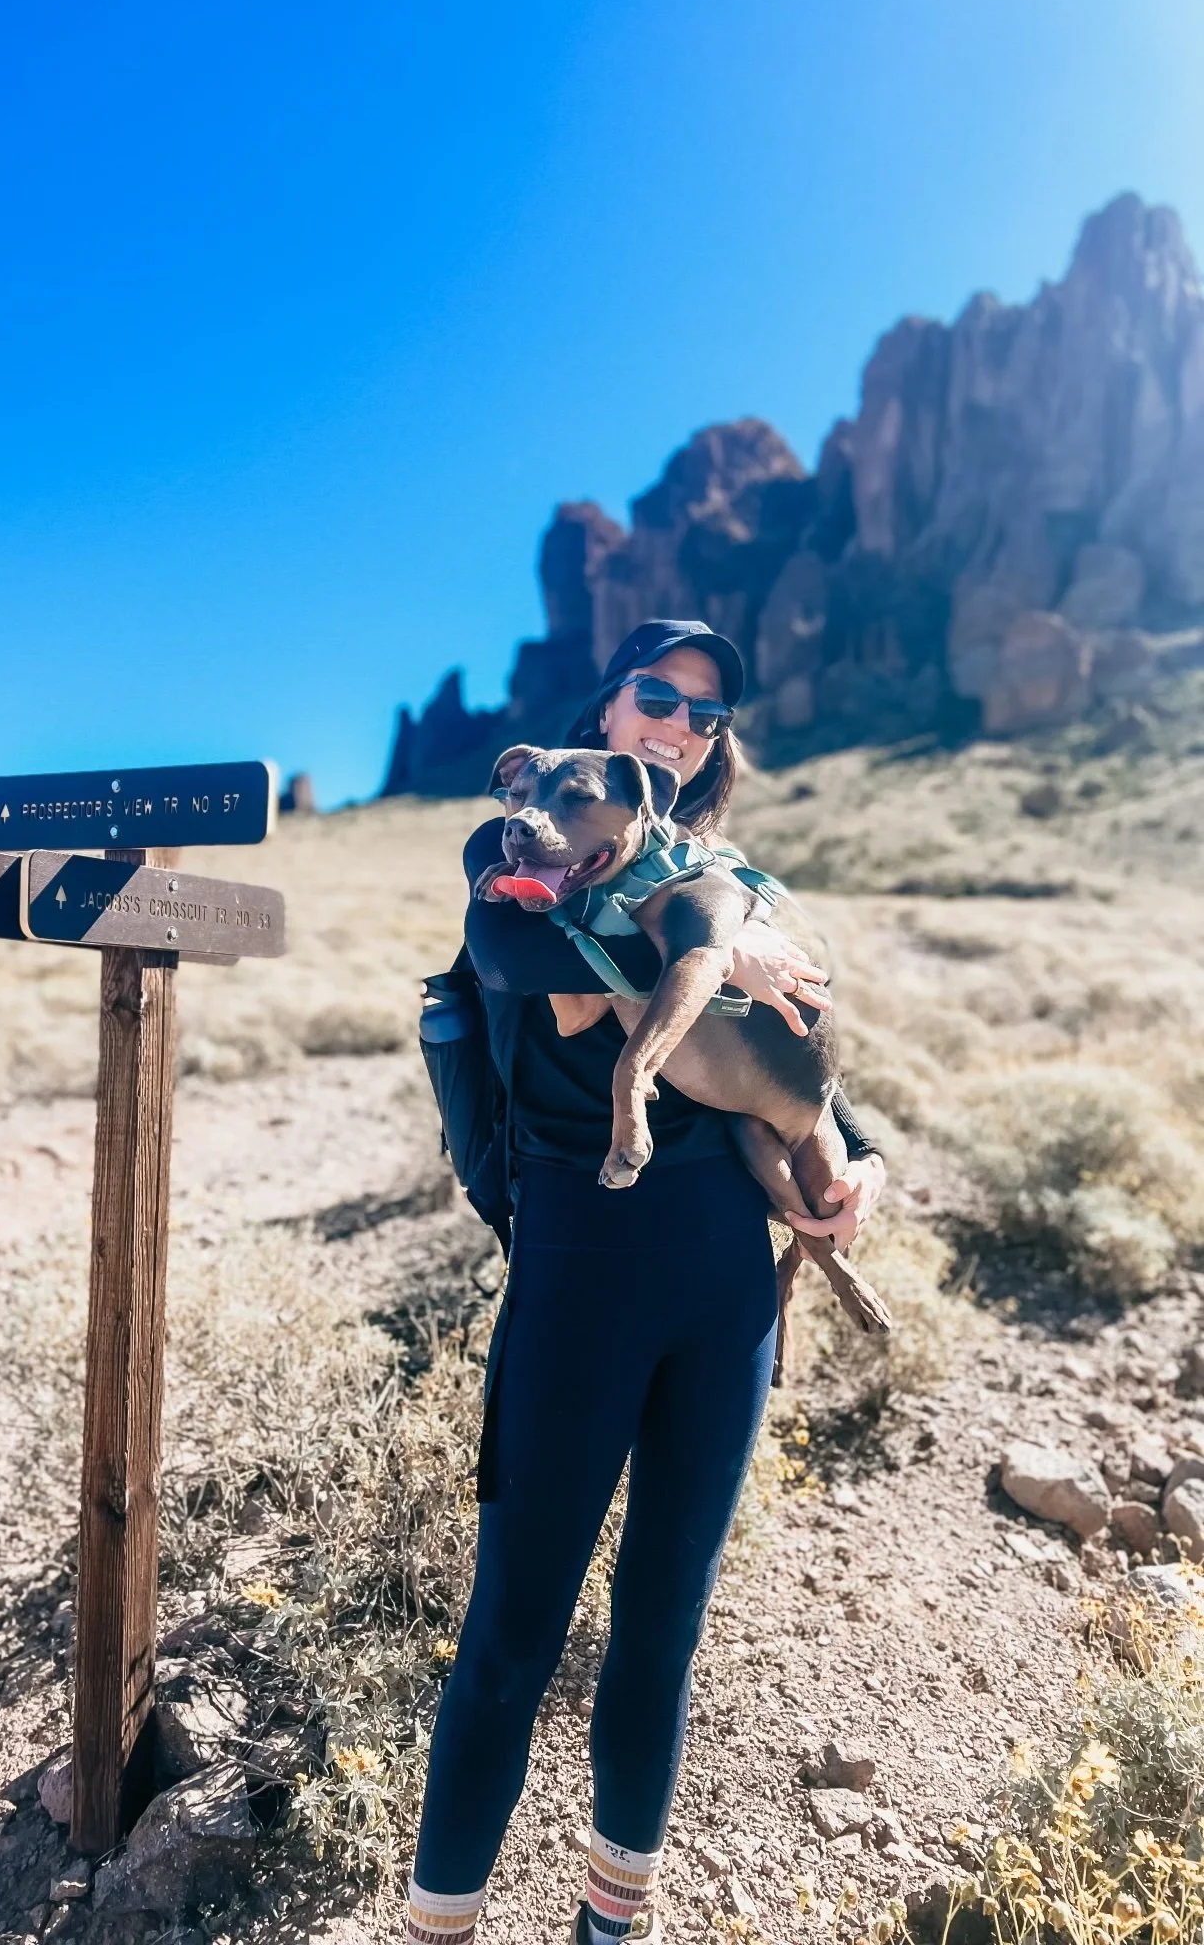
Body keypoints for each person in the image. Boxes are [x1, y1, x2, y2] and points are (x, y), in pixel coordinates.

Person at [403, 620, 884, 1945]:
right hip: (577, 1265)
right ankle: (439, 1926)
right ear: (607, 711)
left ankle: (615, 1917)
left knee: (661, 1627)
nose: (679, 720)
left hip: (725, 1281)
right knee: (512, 1633)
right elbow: (527, 965)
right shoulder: (511, 854)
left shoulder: (737, 878)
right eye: (658, 694)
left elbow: (811, 1068)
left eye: (704, 713)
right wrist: (726, 957)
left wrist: (865, 1173)